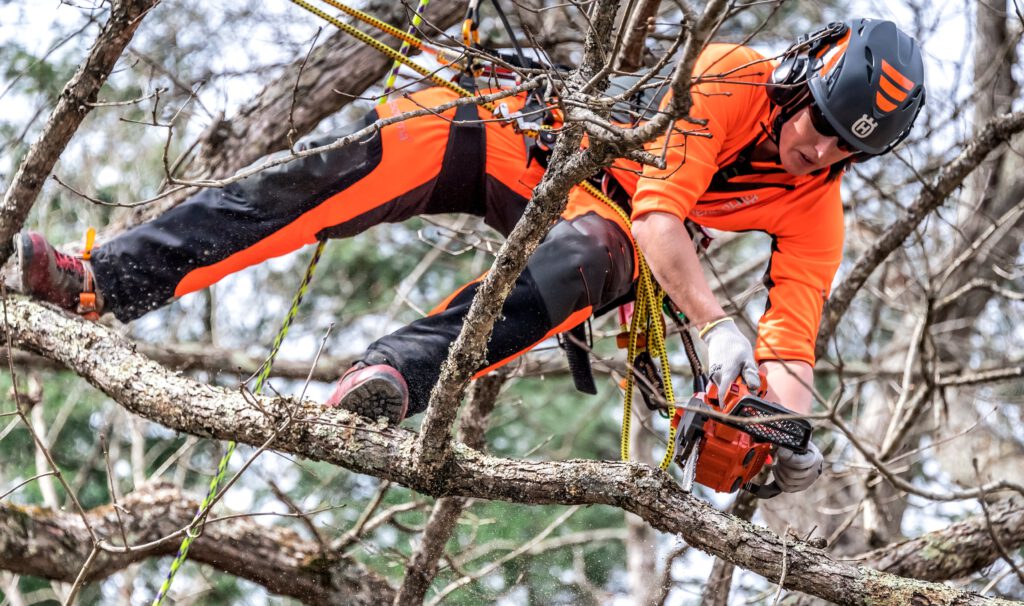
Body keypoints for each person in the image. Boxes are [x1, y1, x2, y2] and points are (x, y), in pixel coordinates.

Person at [15, 18, 924, 493]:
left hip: (596, 223)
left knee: (591, 261)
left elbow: (791, 345)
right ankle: (101, 280)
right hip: (520, 138)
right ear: (804, 79)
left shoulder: (820, 206)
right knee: (334, 173)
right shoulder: (731, 75)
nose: (821, 153)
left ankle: (390, 380)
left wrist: (785, 427)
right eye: (821, 128)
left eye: (849, 149)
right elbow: (664, 219)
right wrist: (718, 328)